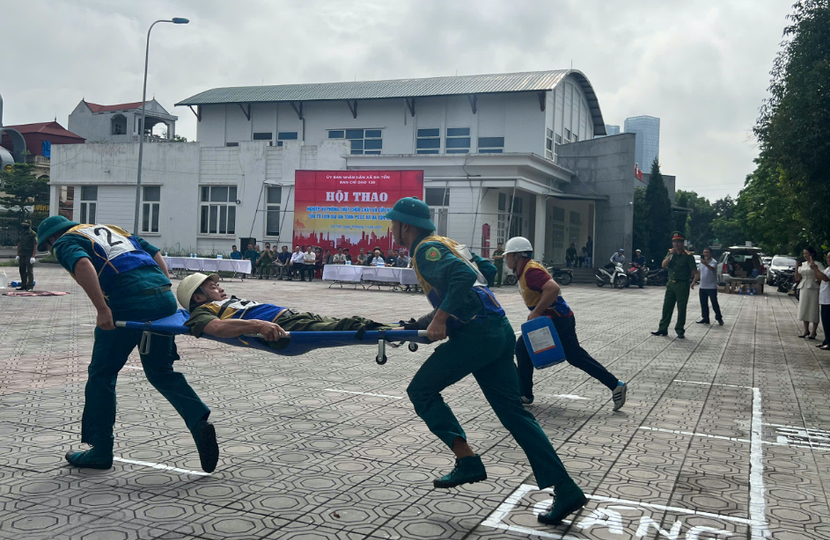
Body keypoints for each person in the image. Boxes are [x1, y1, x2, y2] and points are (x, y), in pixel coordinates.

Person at [385, 197, 587, 526]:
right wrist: (420, 324)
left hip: (477, 335)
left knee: (421, 390)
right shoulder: (447, 243)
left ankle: (467, 460)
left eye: (393, 222)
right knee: (516, 416)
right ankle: (566, 488)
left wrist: (441, 319)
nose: (391, 228)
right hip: (497, 329)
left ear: (405, 225)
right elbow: (486, 271)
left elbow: (463, 276)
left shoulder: (425, 250)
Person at [35, 215, 218, 472]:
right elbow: (155, 254)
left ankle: (100, 450)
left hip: (127, 303)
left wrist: (102, 309)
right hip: (162, 299)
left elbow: (83, 264)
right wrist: (163, 291)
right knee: (161, 371)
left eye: (48, 246)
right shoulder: (112, 229)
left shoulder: (64, 241)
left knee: (102, 375)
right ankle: (198, 421)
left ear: (51, 239)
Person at [504, 236, 627, 410]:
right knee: (575, 356)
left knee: (522, 347)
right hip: (562, 318)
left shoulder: (531, 271)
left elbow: (553, 288)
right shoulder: (525, 270)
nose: (506, 260)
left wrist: (537, 311)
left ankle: (525, 393)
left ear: (518, 256)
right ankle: (616, 385)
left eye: (508, 256)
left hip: (556, 320)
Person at [177, 273, 388, 343]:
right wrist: (258, 325)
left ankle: (396, 328)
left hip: (294, 317)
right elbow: (216, 328)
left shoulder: (222, 303)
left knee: (344, 323)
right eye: (213, 287)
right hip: (283, 325)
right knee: (344, 327)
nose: (220, 288)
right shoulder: (202, 312)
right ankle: (393, 331)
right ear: (198, 297)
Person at [651, 232, 697, 339]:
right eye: (674, 242)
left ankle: (680, 330)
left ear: (682, 243)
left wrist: (686, 278)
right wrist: (670, 255)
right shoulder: (670, 254)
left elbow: (694, 271)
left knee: (681, 308)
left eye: (678, 242)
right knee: (667, 307)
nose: (676, 244)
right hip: (671, 283)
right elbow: (663, 265)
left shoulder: (688, 256)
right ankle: (663, 328)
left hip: (682, 284)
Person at [795, 247, 821, 339]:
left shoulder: (818, 264)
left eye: (807, 253)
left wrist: (814, 267)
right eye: (804, 254)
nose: (805, 255)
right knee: (804, 307)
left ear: (812, 254)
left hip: (813, 287)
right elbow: (797, 278)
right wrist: (796, 267)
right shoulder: (803, 264)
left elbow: (821, 276)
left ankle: (814, 331)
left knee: (813, 308)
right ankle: (806, 330)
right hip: (804, 286)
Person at [694, 247, 723, 326]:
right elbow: (698, 273)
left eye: (707, 252)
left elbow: (712, 269)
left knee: (714, 303)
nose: (705, 254)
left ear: (711, 253)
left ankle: (719, 317)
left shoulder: (714, 262)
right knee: (703, 303)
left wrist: (705, 264)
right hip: (702, 286)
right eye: (704, 252)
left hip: (711, 287)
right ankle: (705, 318)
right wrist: (693, 282)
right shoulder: (701, 263)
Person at [813, 252, 830, 350]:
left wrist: (816, 269)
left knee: (828, 322)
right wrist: (815, 270)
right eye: (827, 257)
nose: (828, 259)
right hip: (824, 299)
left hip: (828, 300)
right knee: (825, 321)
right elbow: (818, 277)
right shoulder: (827, 269)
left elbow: (825, 278)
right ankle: (826, 340)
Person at [16, 221, 37, 291]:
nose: (24, 226)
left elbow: (35, 245)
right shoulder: (21, 233)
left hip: (29, 254)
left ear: (29, 225)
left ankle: (30, 286)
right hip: (22, 254)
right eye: (24, 225)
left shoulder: (32, 234)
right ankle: (23, 285)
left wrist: (33, 256)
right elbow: (18, 244)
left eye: (26, 225)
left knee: (29, 270)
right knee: (22, 270)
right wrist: (18, 254)